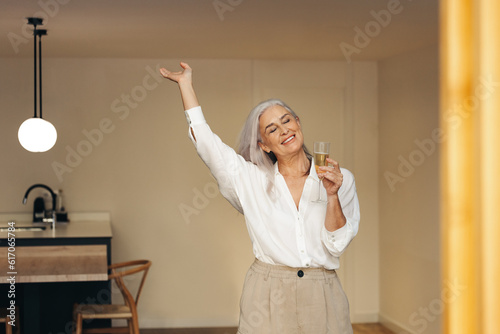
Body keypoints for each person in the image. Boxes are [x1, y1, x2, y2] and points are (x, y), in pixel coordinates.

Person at [160, 62, 360, 334]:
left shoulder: (340, 179)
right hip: (267, 291)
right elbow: (206, 144)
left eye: (287, 120)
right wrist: (186, 86)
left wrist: (332, 196)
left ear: (298, 123)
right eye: (272, 129)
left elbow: (336, 246)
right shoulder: (250, 179)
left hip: (322, 290)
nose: (284, 130)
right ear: (264, 145)